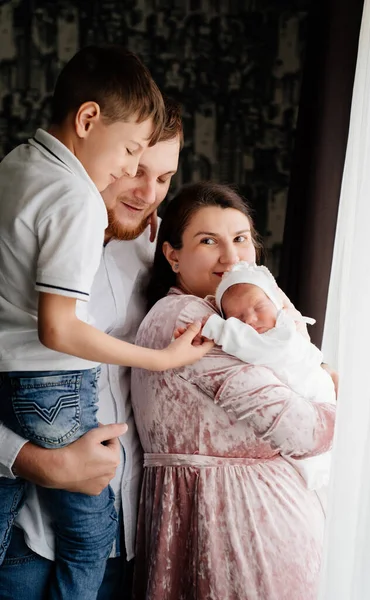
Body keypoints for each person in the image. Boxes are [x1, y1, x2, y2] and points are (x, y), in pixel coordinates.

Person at [0, 97, 187, 599]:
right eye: (135, 168)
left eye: (164, 178)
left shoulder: (157, 256)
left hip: (130, 544)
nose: (147, 192)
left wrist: (299, 359)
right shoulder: (14, 239)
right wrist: (33, 462)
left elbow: (237, 291)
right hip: (28, 542)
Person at [131, 181, 337, 600]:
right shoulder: (189, 318)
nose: (231, 257)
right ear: (172, 254)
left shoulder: (235, 317)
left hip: (244, 516)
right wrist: (327, 390)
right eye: (209, 241)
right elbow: (309, 432)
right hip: (239, 524)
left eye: (241, 239)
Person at [201, 260, 336, 490]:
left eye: (259, 307)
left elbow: (254, 347)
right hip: (303, 406)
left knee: (313, 463)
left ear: (276, 304)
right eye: (238, 318)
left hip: (314, 395)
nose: (251, 320)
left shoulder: (283, 334)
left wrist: (217, 328)